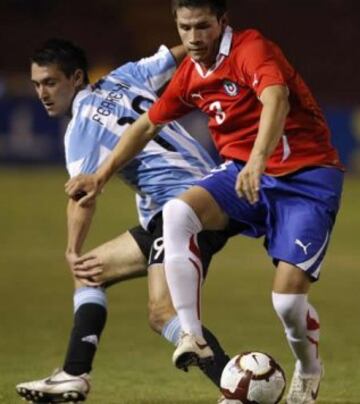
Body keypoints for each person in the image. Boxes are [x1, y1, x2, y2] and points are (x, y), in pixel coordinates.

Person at [65, 1, 345, 403]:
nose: (194, 38)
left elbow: (277, 99)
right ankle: (192, 335)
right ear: (176, 26)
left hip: (306, 177)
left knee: (287, 302)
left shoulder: (251, 49)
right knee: (178, 212)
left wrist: (258, 161)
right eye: (185, 28)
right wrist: (100, 175)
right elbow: (147, 125)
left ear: (222, 23)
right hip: (243, 172)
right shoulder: (192, 74)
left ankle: (309, 367)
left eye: (203, 27)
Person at [16, 37, 241, 403]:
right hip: (204, 196)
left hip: (182, 209)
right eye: (37, 84)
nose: (42, 92)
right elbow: (175, 53)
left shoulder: (81, 127)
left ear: (75, 78)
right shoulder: (127, 76)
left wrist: (72, 249)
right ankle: (74, 374)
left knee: (162, 312)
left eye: (51, 82)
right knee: (92, 271)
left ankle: (237, 388)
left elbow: (83, 195)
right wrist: (209, 41)